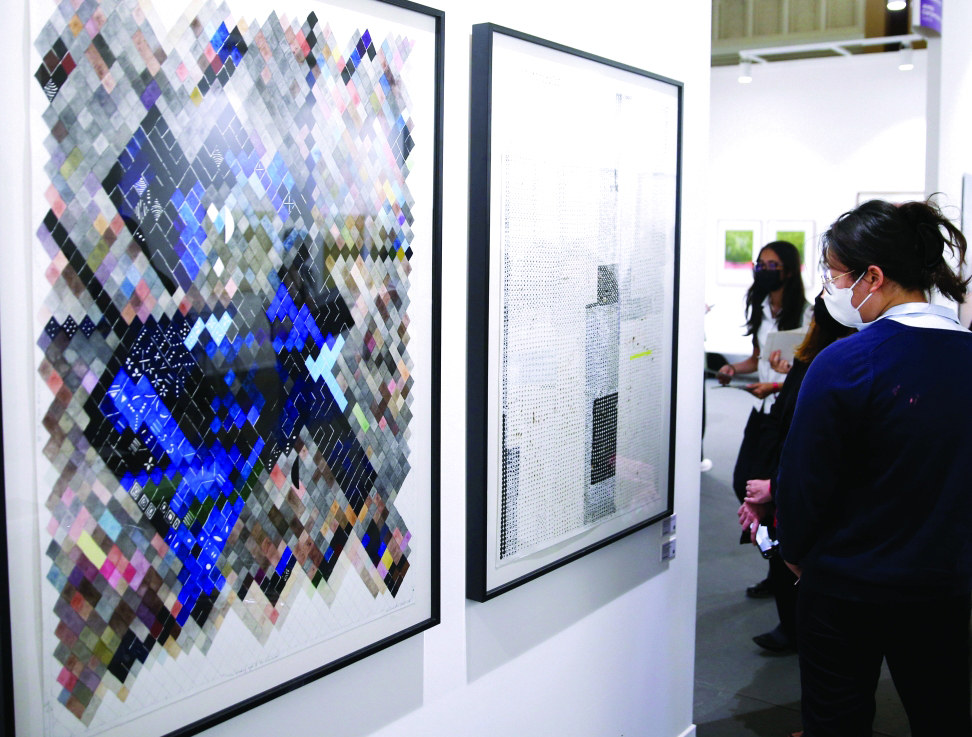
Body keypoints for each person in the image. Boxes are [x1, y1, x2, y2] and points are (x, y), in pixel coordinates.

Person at [776, 199, 972, 736]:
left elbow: (804, 479)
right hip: (945, 587)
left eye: (835, 275)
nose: (830, 289)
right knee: (944, 717)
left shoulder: (847, 362)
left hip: (846, 585)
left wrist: (795, 552)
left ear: (874, 277)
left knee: (836, 721)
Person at [737, 293, 854, 652]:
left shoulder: (836, 363)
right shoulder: (812, 362)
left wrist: (774, 486)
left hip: (801, 485)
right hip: (786, 475)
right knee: (783, 551)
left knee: (798, 555)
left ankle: (799, 629)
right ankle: (792, 626)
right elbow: (784, 420)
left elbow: (820, 446)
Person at [717, 240, 809, 598]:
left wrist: (776, 384)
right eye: (760, 264)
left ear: (788, 270)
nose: (764, 270)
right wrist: (732, 369)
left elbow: (806, 371)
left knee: (773, 492)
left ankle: (782, 570)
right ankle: (774, 560)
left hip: (787, 412)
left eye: (772, 265)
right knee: (743, 482)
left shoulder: (806, 315)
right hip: (762, 412)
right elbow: (757, 359)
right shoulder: (760, 307)